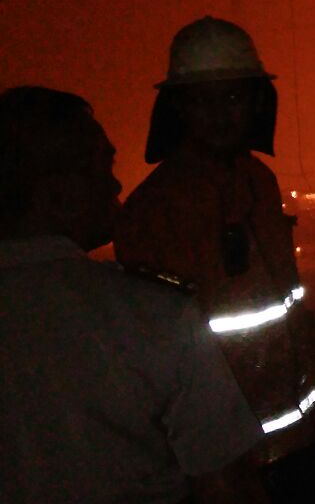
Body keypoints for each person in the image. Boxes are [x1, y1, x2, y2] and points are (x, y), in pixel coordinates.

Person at [115, 17, 315, 502]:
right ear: (178, 107)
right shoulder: (155, 209)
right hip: (224, 459)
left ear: (258, 101)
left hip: (298, 435)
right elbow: (157, 355)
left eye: (234, 97)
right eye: (203, 99)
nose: (221, 114)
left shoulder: (259, 182)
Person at [0, 86, 268, 503]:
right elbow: (226, 484)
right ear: (57, 191)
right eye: (101, 167)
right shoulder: (154, 316)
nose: (116, 183)